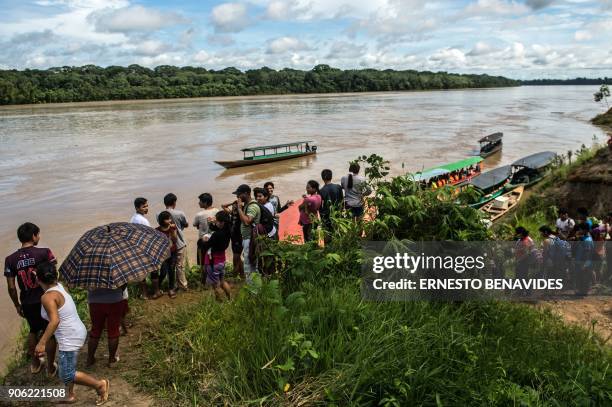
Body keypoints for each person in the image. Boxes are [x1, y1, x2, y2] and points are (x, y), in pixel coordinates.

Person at [35, 262, 110, 405]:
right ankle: (69, 395)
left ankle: (100, 385)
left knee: (67, 373)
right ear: (54, 276)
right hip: (75, 330)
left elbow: (54, 321)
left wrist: (42, 343)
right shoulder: (59, 286)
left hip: (69, 336)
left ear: (38, 279)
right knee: (66, 366)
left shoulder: (47, 297)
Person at [4, 222, 57, 375]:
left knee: (33, 330)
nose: (39, 237)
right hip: (45, 299)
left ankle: (35, 364)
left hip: (27, 301)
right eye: (38, 234)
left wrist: (17, 305)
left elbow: (12, 287)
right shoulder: (44, 253)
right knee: (50, 332)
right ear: (34, 236)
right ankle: (50, 367)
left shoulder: (10, 259)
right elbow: (53, 273)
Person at [86, 284, 125, 367]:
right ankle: (111, 360)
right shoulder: (116, 270)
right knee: (113, 330)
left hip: (95, 300)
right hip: (115, 299)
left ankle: (90, 359)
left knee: (95, 330)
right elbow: (123, 284)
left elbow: (86, 284)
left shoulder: (90, 271)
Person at [200, 211, 232, 301]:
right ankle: (230, 299)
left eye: (217, 220)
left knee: (215, 285)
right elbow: (216, 229)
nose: (215, 222)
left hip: (213, 262)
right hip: (221, 260)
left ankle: (219, 302)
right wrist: (211, 223)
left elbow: (206, 246)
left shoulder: (216, 234)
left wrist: (204, 240)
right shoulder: (227, 231)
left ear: (222, 222)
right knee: (222, 281)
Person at [234, 184, 260, 280]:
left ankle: (254, 290)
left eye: (239, 194)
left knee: (249, 265)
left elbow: (246, 221)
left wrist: (239, 208)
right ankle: (254, 288)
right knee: (250, 263)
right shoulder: (247, 205)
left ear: (246, 193)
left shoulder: (252, 206)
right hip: (248, 238)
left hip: (250, 239)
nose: (238, 197)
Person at [163, 193, 189, 291]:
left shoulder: (160, 215)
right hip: (179, 243)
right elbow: (186, 224)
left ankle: (172, 286)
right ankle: (183, 285)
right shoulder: (179, 213)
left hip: (168, 244)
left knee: (170, 266)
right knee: (180, 266)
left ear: (165, 203)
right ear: (174, 202)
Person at [155, 211, 178, 299]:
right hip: (163, 254)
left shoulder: (172, 228)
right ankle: (158, 286)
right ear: (162, 220)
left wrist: (173, 231)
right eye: (168, 219)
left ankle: (171, 289)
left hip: (172, 252)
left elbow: (175, 240)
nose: (170, 220)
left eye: (170, 218)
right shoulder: (157, 230)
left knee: (172, 270)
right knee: (163, 271)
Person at [319, 169, 344, 243]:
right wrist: (341, 211)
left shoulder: (321, 191)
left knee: (327, 232)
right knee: (338, 231)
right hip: (337, 213)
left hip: (326, 215)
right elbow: (342, 201)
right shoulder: (338, 187)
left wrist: (321, 217)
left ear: (322, 178)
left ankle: (328, 248)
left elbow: (320, 206)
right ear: (331, 177)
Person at [222, 200, 244, 280]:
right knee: (239, 259)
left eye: (236, 205)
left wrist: (239, 207)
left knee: (236, 259)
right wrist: (232, 203)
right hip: (233, 240)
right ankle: (242, 276)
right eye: (233, 206)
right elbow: (223, 206)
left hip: (239, 239)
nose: (234, 206)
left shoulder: (241, 215)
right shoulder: (232, 214)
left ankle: (234, 278)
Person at [193, 193, 218, 265]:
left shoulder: (199, 214)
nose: (199, 203)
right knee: (213, 260)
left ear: (205, 203)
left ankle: (204, 275)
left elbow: (195, 224)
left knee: (203, 262)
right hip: (214, 239)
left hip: (203, 242)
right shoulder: (217, 211)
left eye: (200, 201)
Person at [574, 223, 595, 296]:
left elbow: (587, 253)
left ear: (585, 230)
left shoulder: (587, 240)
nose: (579, 230)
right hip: (580, 261)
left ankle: (584, 291)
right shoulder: (585, 238)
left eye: (580, 229)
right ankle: (582, 290)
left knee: (584, 277)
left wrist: (584, 264)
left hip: (584, 262)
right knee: (581, 276)